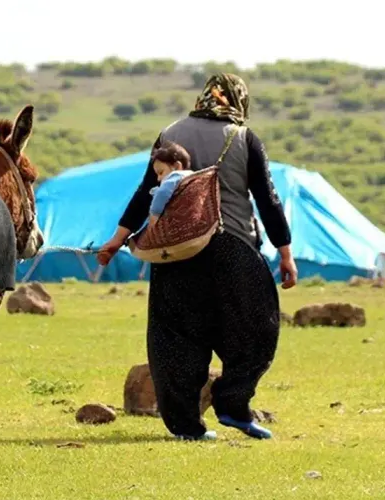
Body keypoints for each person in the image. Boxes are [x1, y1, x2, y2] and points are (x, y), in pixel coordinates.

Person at [97, 73, 298, 442]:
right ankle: (232, 405)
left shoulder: (169, 133)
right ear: (239, 101)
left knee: (175, 336)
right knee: (256, 329)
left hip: (175, 251)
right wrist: (286, 254)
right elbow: (268, 200)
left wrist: (117, 239)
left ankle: (187, 425)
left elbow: (147, 192)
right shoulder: (243, 138)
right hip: (232, 247)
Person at [147, 141, 193, 228]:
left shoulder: (176, 176)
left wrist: (153, 217)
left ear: (176, 166)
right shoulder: (192, 175)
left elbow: (163, 192)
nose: (158, 179)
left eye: (160, 172)